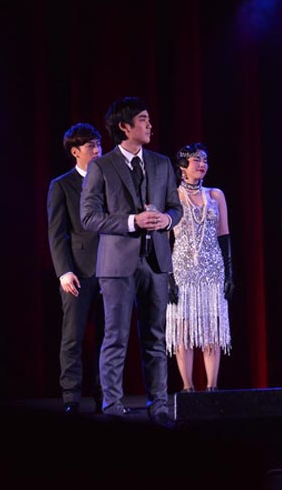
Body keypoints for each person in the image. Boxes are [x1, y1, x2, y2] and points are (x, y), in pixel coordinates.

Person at [81, 97, 183, 425]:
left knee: (156, 338)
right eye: (143, 119)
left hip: (156, 262)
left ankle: (159, 405)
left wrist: (166, 220)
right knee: (115, 338)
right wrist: (131, 221)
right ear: (124, 127)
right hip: (117, 265)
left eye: (149, 119)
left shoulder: (161, 163)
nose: (149, 125)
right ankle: (112, 405)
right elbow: (89, 217)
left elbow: (175, 207)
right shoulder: (101, 166)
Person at [47, 122, 105, 414]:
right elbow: (57, 232)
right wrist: (64, 271)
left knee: (110, 338)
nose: (97, 151)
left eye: (99, 145)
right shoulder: (62, 184)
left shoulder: (109, 179)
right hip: (78, 272)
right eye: (91, 146)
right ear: (75, 152)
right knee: (73, 336)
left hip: (110, 269)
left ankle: (105, 395)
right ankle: (71, 396)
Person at [166, 143, 233, 392]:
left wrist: (229, 272)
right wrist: (168, 277)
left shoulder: (215, 195)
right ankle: (187, 387)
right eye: (196, 160)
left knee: (211, 330)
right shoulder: (172, 197)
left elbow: (224, 234)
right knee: (183, 330)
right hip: (182, 270)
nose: (202, 164)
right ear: (183, 166)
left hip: (212, 270)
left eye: (205, 160)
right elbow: (164, 240)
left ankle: (212, 387)